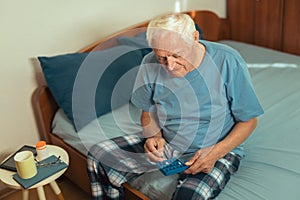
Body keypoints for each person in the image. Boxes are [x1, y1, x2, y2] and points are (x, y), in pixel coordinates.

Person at [87, 13, 264, 200]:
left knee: (189, 196)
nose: (170, 66)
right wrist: (153, 136)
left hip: (215, 147)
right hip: (168, 143)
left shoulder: (227, 60)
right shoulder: (149, 63)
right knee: (98, 157)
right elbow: (147, 112)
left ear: (195, 38)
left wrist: (215, 153)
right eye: (162, 57)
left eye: (176, 55)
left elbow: (249, 120)